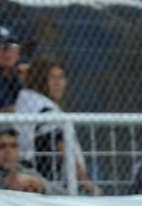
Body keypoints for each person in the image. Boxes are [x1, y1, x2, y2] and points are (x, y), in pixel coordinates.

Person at [16, 56, 100, 196]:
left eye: (61, 77)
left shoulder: (25, 98)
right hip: (45, 176)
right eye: (51, 78)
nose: (58, 83)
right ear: (40, 79)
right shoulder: (44, 106)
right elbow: (60, 144)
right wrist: (84, 181)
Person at [0, 124, 63, 203]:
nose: (8, 151)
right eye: (1, 146)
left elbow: (65, 195)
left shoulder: (28, 173)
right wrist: (8, 186)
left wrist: (42, 186)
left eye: (14, 146)